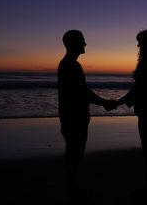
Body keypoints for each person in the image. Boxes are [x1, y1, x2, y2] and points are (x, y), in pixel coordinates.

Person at [57, 30, 117, 201]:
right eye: (82, 41)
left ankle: (71, 187)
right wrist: (105, 102)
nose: (85, 44)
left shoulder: (68, 64)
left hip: (70, 116)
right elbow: (83, 92)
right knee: (74, 153)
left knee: (73, 152)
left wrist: (102, 102)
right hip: (74, 117)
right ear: (73, 43)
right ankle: (71, 190)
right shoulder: (71, 65)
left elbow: (82, 92)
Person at [117, 29, 147, 195]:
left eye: (140, 42)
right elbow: (142, 88)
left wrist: (120, 102)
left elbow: (140, 88)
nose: (138, 45)